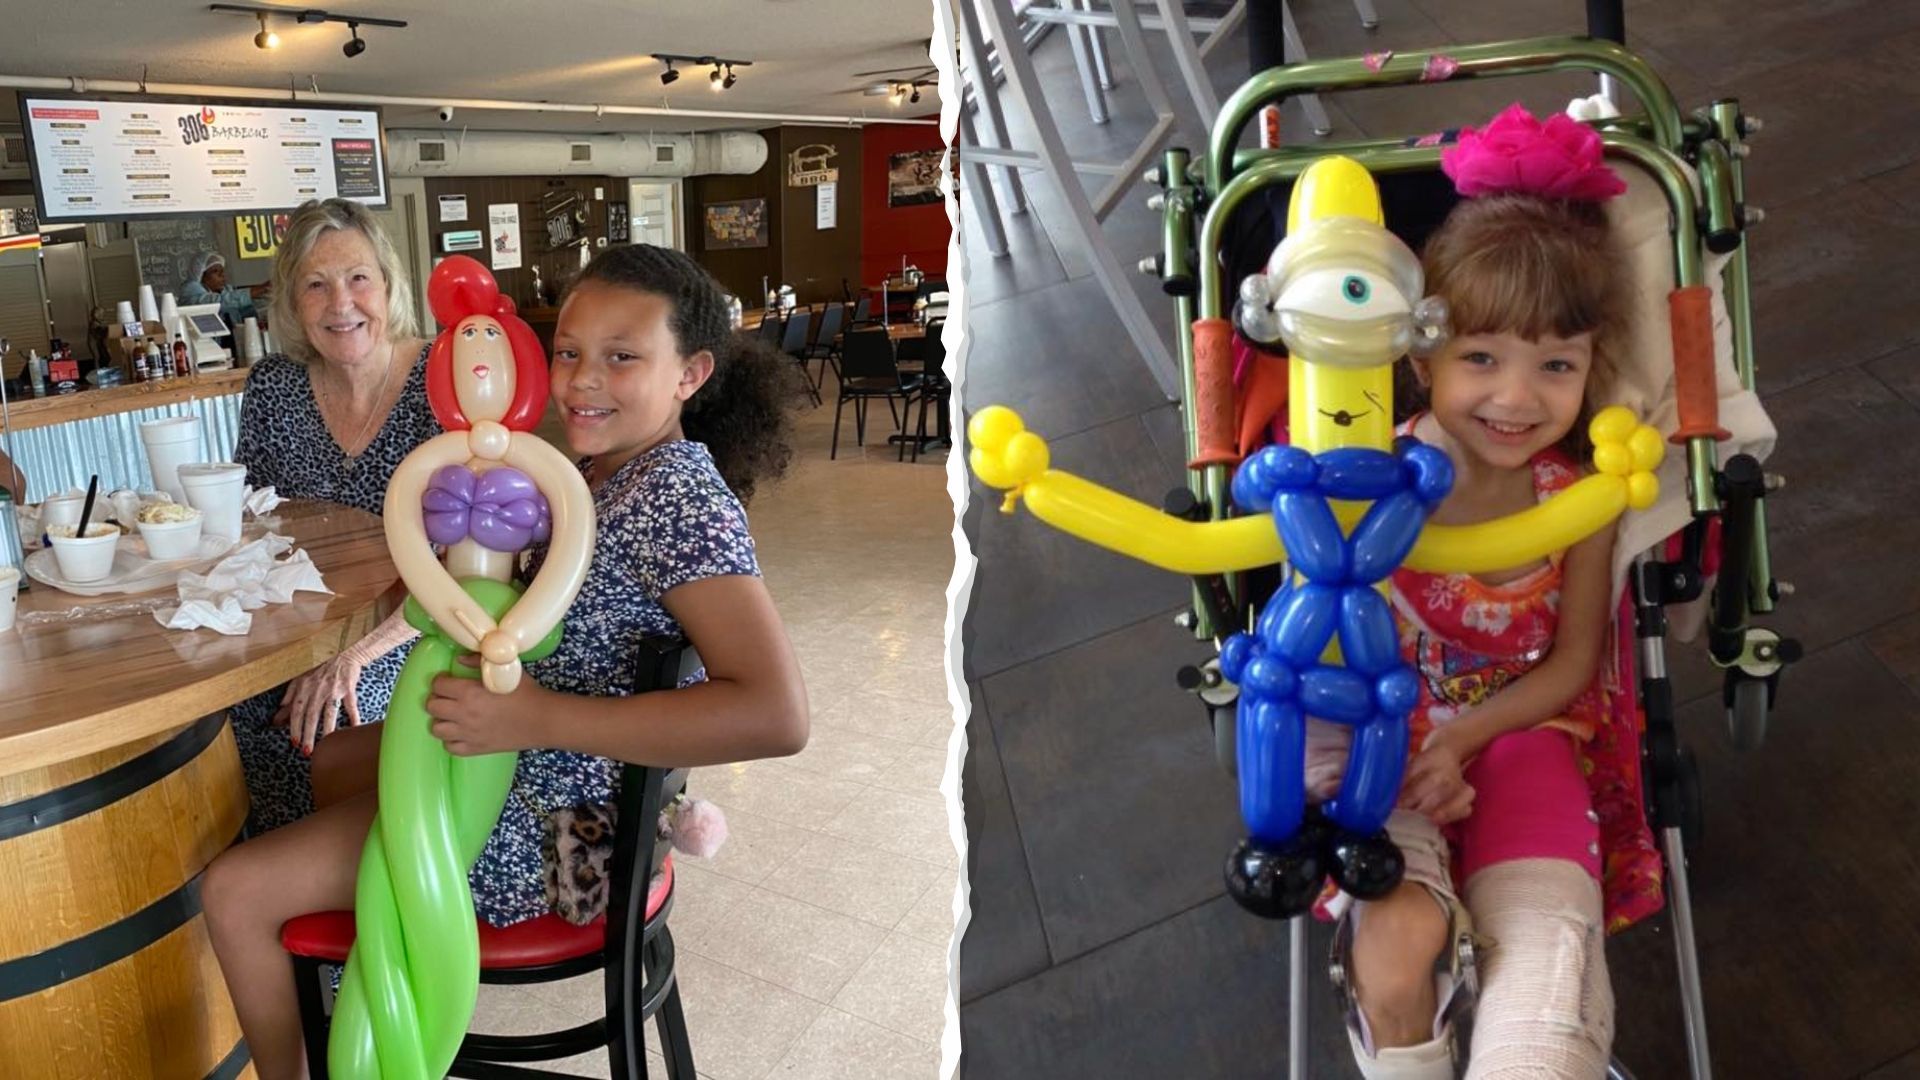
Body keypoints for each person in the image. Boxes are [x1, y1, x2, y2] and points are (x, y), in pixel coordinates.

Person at [201, 243, 810, 1079]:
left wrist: (535, 716)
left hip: (560, 828)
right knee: (333, 758)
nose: (582, 381)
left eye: (622, 358)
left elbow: (777, 715)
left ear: (690, 374)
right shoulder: (605, 474)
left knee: (234, 893)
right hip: (532, 769)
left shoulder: (674, 497)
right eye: (569, 352)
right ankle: (383, 980)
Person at [1329, 106, 1660, 1080]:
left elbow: (1574, 661)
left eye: (1555, 366)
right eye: (1481, 358)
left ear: (1590, 370)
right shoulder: (1367, 483)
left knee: (1547, 987)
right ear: (1420, 357)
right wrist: (1412, 751)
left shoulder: (1579, 497)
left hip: (1525, 735)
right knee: (1394, 952)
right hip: (1385, 747)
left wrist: (1467, 737)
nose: (1518, 398)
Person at [228, 198, 441, 833]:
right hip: (299, 627)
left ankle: (349, 875)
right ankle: (258, 869)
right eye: (315, 285)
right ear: (293, 304)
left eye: (358, 278)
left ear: (389, 286)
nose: (340, 303)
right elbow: (253, 524)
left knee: (329, 719)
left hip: (413, 625)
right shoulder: (275, 387)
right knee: (219, 720)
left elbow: (467, 564)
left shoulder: (443, 380)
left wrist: (355, 654)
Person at [181, 250, 261, 330]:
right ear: (201, 275)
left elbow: (242, 309)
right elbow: (220, 301)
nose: (221, 275)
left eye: (222, 271)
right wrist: (255, 291)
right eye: (215, 271)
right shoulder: (191, 289)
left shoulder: (225, 289)